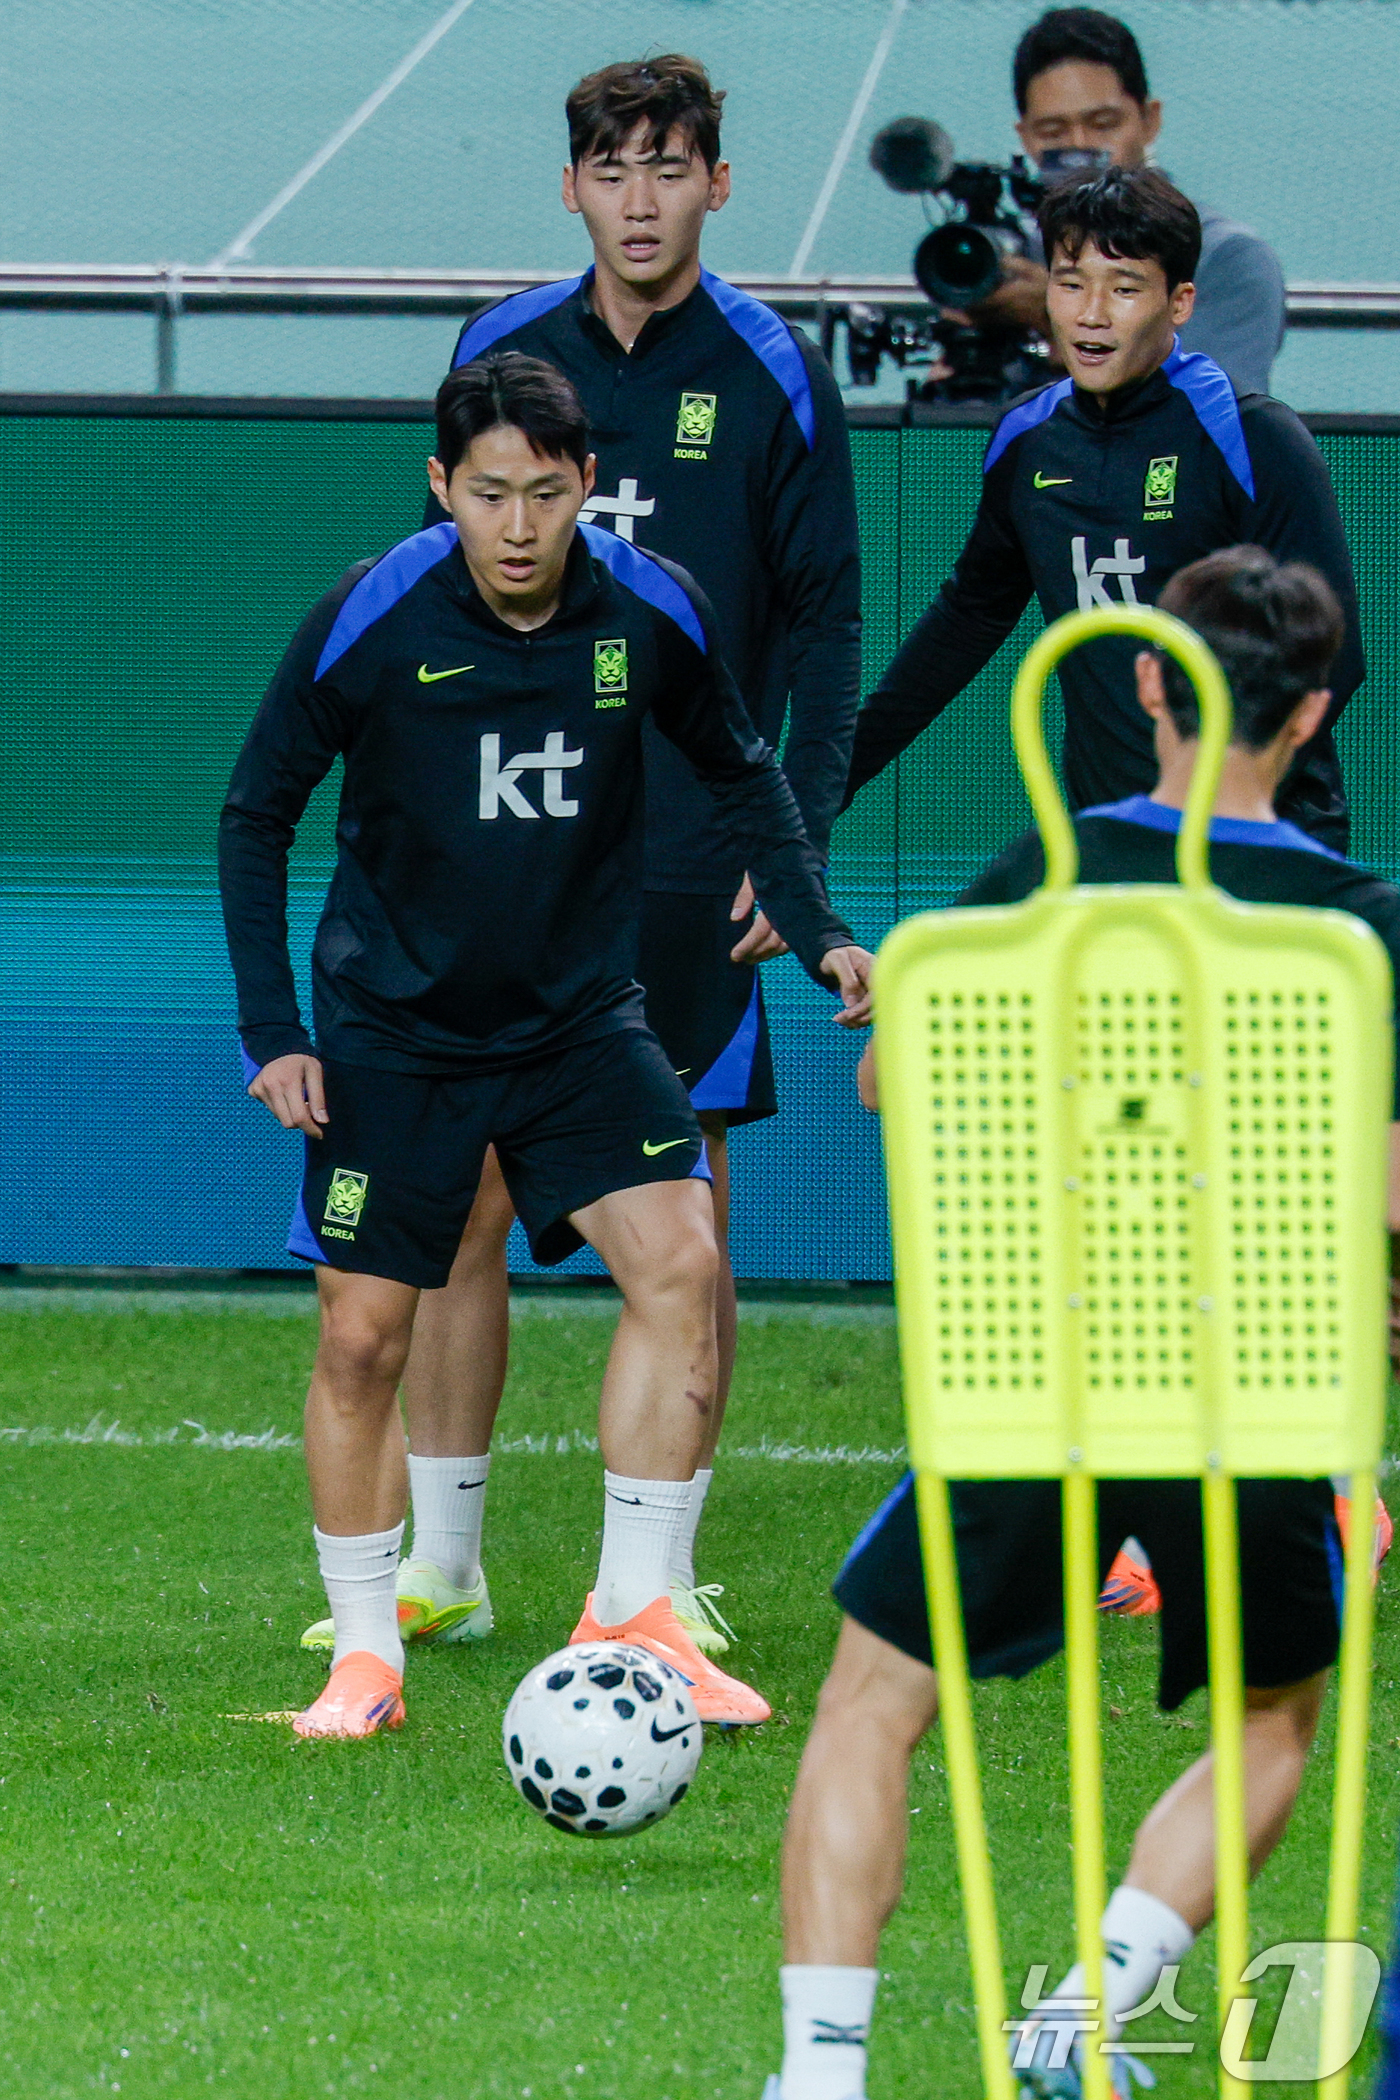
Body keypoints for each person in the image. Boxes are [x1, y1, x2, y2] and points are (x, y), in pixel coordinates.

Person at [765, 545, 1400, 2100]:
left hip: (1030, 1372)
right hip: (1249, 1391)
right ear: (1312, 717)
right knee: (1272, 1719)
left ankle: (820, 2077)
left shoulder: (1048, 875)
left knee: (871, 1706)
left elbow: (885, 1079)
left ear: (1143, 684)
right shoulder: (1359, 925)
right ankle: (1095, 2005)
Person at [218, 351, 872, 1738]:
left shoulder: (650, 604)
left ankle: (636, 1610)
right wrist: (275, 1032)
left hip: (582, 1022)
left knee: (683, 1261)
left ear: (589, 488)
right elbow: (256, 809)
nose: (518, 528)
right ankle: (363, 1657)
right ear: (442, 488)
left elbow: (746, 773)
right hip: (396, 1032)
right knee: (360, 1341)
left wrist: (817, 933)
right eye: (490, 495)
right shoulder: (377, 611)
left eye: (547, 495)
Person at [321, 53, 862, 1668]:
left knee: (683, 1191)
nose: (642, 197)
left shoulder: (771, 367)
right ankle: (446, 1565)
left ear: (719, 183)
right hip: (511, 847)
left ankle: (662, 1581)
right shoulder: (501, 350)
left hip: (695, 853)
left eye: (671, 166)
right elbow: (421, 591)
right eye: (613, 170)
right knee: (465, 1199)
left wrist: (800, 846)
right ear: (572, 188)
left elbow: (829, 623)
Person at [845, 163, 1362, 860]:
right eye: (1070, 283)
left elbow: (1333, 660)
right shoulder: (1028, 441)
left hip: (1267, 852)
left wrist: (1211, 809)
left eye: (1124, 289)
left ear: (1180, 302)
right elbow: (965, 621)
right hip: (1113, 856)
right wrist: (824, 788)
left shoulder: (1252, 438)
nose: (1091, 313)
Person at [966, 7, 1286, 398]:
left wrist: (1055, 322)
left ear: (1149, 121)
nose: (1079, 148)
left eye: (1103, 125)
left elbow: (1213, 426)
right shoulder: (1007, 263)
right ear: (1026, 138)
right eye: (1053, 131)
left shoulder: (1226, 259)